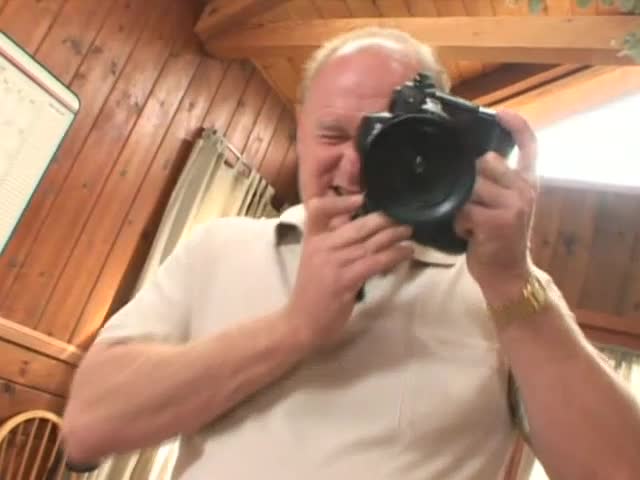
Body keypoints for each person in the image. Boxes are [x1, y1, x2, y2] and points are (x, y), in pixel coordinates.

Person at [62, 27, 640, 479]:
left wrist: (513, 284)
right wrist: (296, 327)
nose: (358, 166)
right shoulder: (219, 247)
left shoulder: (503, 291)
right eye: (334, 135)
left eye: (385, 139)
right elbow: (88, 427)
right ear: (300, 129)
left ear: (437, 144)